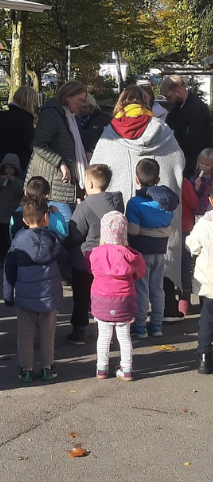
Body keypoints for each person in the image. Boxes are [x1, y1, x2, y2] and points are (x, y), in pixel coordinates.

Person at [92, 85, 186, 314]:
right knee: (158, 267)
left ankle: (128, 313)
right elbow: (178, 163)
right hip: (157, 225)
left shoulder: (110, 134)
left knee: (125, 262)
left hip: (125, 215)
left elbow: (96, 168)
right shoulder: (163, 132)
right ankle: (162, 314)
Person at [3, 195, 65, 382]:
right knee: (48, 334)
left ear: (23, 220)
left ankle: (26, 369)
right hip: (48, 297)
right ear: (46, 218)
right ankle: (47, 367)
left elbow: (9, 271)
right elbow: (65, 259)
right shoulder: (54, 241)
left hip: (25, 297)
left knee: (25, 335)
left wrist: (8, 295)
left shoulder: (18, 243)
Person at [64, 164, 124, 346]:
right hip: (110, 260)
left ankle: (79, 330)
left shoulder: (85, 207)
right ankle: (108, 331)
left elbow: (74, 234)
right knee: (106, 296)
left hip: (86, 260)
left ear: (89, 184)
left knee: (81, 296)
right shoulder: (117, 203)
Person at [125, 158, 180, 339]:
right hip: (160, 250)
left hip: (141, 251)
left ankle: (140, 326)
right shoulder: (167, 200)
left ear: (136, 180)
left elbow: (134, 230)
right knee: (157, 289)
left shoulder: (135, 203)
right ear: (158, 180)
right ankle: (156, 325)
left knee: (142, 289)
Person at [89, 212, 146, 381]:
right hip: (125, 301)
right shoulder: (130, 255)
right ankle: (126, 368)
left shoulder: (96, 253)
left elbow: (92, 269)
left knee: (104, 336)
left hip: (101, 300)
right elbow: (140, 272)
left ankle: (101, 368)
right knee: (124, 336)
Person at [26, 80, 89, 211]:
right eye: (80, 100)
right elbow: (39, 144)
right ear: (68, 96)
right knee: (63, 227)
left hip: (63, 186)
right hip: (50, 185)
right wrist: (60, 163)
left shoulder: (71, 118)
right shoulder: (52, 114)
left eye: (84, 101)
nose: (82, 105)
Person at [161, 74, 213, 177]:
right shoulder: (179, 106)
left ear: (178, 91)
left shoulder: (197, 109)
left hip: (194, 167)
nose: (168, 101)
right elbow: (167, 125)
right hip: (183, 161)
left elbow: (193, 142)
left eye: (168, 97)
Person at [185, 191, 213, 375]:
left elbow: (192, 246)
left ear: (211, 199)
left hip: (208, 281)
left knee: (207, 319)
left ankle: (204, 356)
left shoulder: (204, 223)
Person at [8, 176, 69, 241]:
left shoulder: (18, 212)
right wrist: (57, 213)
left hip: (20, 247)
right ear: (47, 197)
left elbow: (12, 233)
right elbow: (64, 231)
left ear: (25, 192)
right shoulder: (45, 215)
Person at [0, 154, 24, 261]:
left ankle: (8, 253)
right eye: (6, 167)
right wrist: (0, 180)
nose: (8, 170)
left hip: (12, 212)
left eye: (11, 168)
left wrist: (14, 180)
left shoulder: (19, 181)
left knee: (9, 236)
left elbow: (21, 192)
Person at [0, 85, 37, 172]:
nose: (35, 104)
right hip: (21, 164)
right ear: (28, 101)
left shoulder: (1, 116)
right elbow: (28, 143)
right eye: (34, 101)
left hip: (5, 162)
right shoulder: (25, 118)